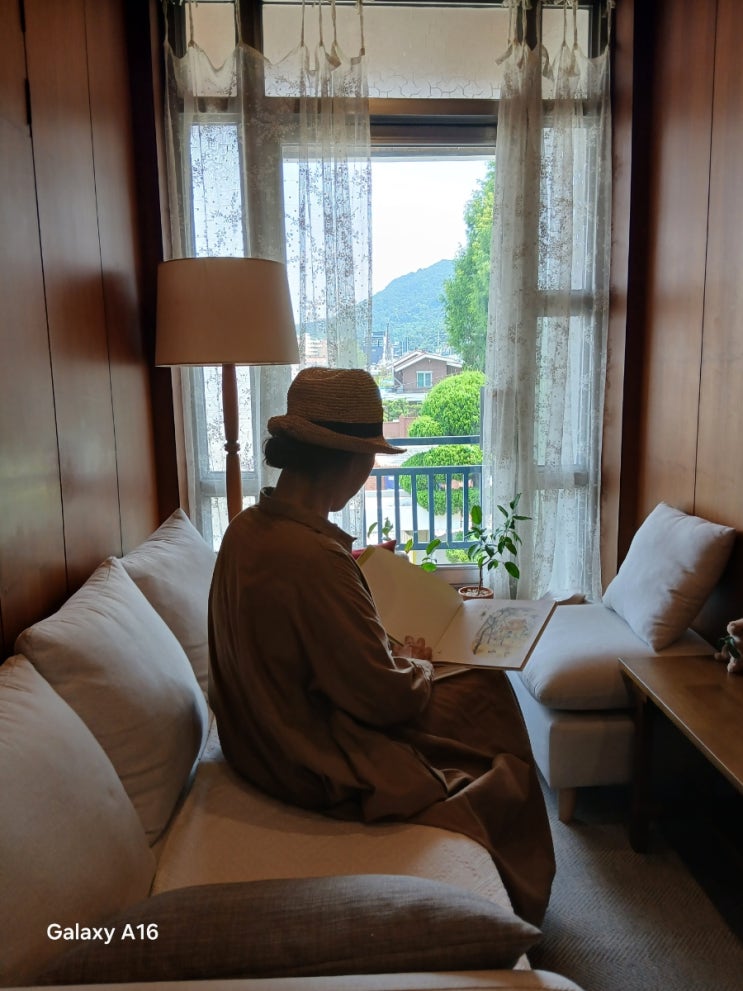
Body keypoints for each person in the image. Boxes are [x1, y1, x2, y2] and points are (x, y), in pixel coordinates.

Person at [208, 367, 555, 925]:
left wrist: (388, 650)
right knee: (486, 691)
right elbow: (384, 698)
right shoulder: (315, 558)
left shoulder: (245, 528)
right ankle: (523, 889)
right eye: (370, 458)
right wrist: (415, 665)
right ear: (350, 462)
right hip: (302, 755)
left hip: (254, 741)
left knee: (465, 683)